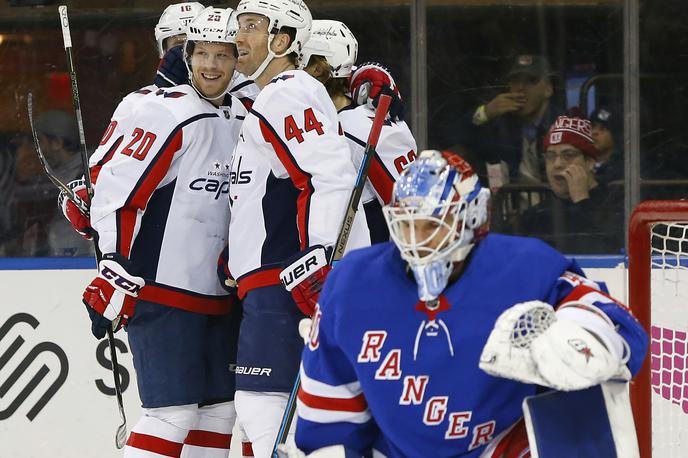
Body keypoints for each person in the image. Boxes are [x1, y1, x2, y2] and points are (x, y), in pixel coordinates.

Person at [293, 149, 648, 457]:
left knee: (579, 408)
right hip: (396, 450)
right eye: (407, 225)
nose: (418, 242)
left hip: (503, 446)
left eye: (431, 226)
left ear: (472, 217)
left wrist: (581, 338)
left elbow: (616, 322)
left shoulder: (523, 268)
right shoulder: (353, 285)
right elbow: (328, 413)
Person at [75, 7, 246, 457]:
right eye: (202, 54)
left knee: (221, 413)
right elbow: (118, 194)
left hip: (222, 292)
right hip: (163, 289)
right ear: (186, 56)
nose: (211, 65)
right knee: (171, 415)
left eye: (223, 55)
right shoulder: (164, 111)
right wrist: (112, 266)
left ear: (237, 59)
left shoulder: (245, 114)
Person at [227, 0, 370, 454]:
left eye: (253, 26)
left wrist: (320, 257)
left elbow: (330, 176)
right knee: (276, 415)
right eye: (240, 24)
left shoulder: (286, 91)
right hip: (272, 277)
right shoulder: (271, 96)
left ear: (282, 41)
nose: (239, 36)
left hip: (284, 278)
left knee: (261, 407)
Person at [300, 22, 417, 243]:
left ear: (317, 68)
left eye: (297, 61)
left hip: (365, 263)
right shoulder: (307, 120)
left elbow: (412, 208)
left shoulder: (359, 125)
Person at [517, 114, 625, 254]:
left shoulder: (615, 203)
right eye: (550, 156)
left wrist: (581, 201)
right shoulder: (536, 216)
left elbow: (610, 256)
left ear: (590, 163)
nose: (557, 164)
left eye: (568, 155)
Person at [455, 54, 563, 187]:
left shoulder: (563, 126)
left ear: (548, 89)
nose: (521, 87)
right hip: (511, 205)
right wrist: (485, 112)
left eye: (530, 81)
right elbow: (456, 139)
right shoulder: (501, 124)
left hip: (554, 205)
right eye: (515, 81)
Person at [589, 106, 623, 185]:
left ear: (615, 135)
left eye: (603, 128)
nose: (594, 132)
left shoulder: (623, 168)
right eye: (592, 126)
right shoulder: (579, 162)